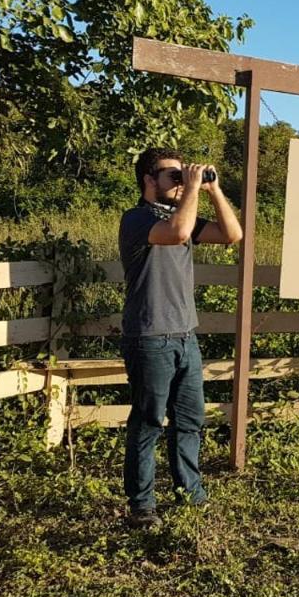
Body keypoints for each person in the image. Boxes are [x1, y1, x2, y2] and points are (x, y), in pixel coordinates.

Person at [118, 148, 243, 528]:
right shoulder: (136, 219)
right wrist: (190, 190)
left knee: (190, 420)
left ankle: (190, 492)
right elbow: (178, 233)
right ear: (148, 180)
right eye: (169, 175)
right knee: (149, 421)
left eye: (181, 174)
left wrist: (213, 190)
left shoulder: (181, 213)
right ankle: (142, 506)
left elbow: (231, 235)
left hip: (186, 336)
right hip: (149, 337)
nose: (178, 181)